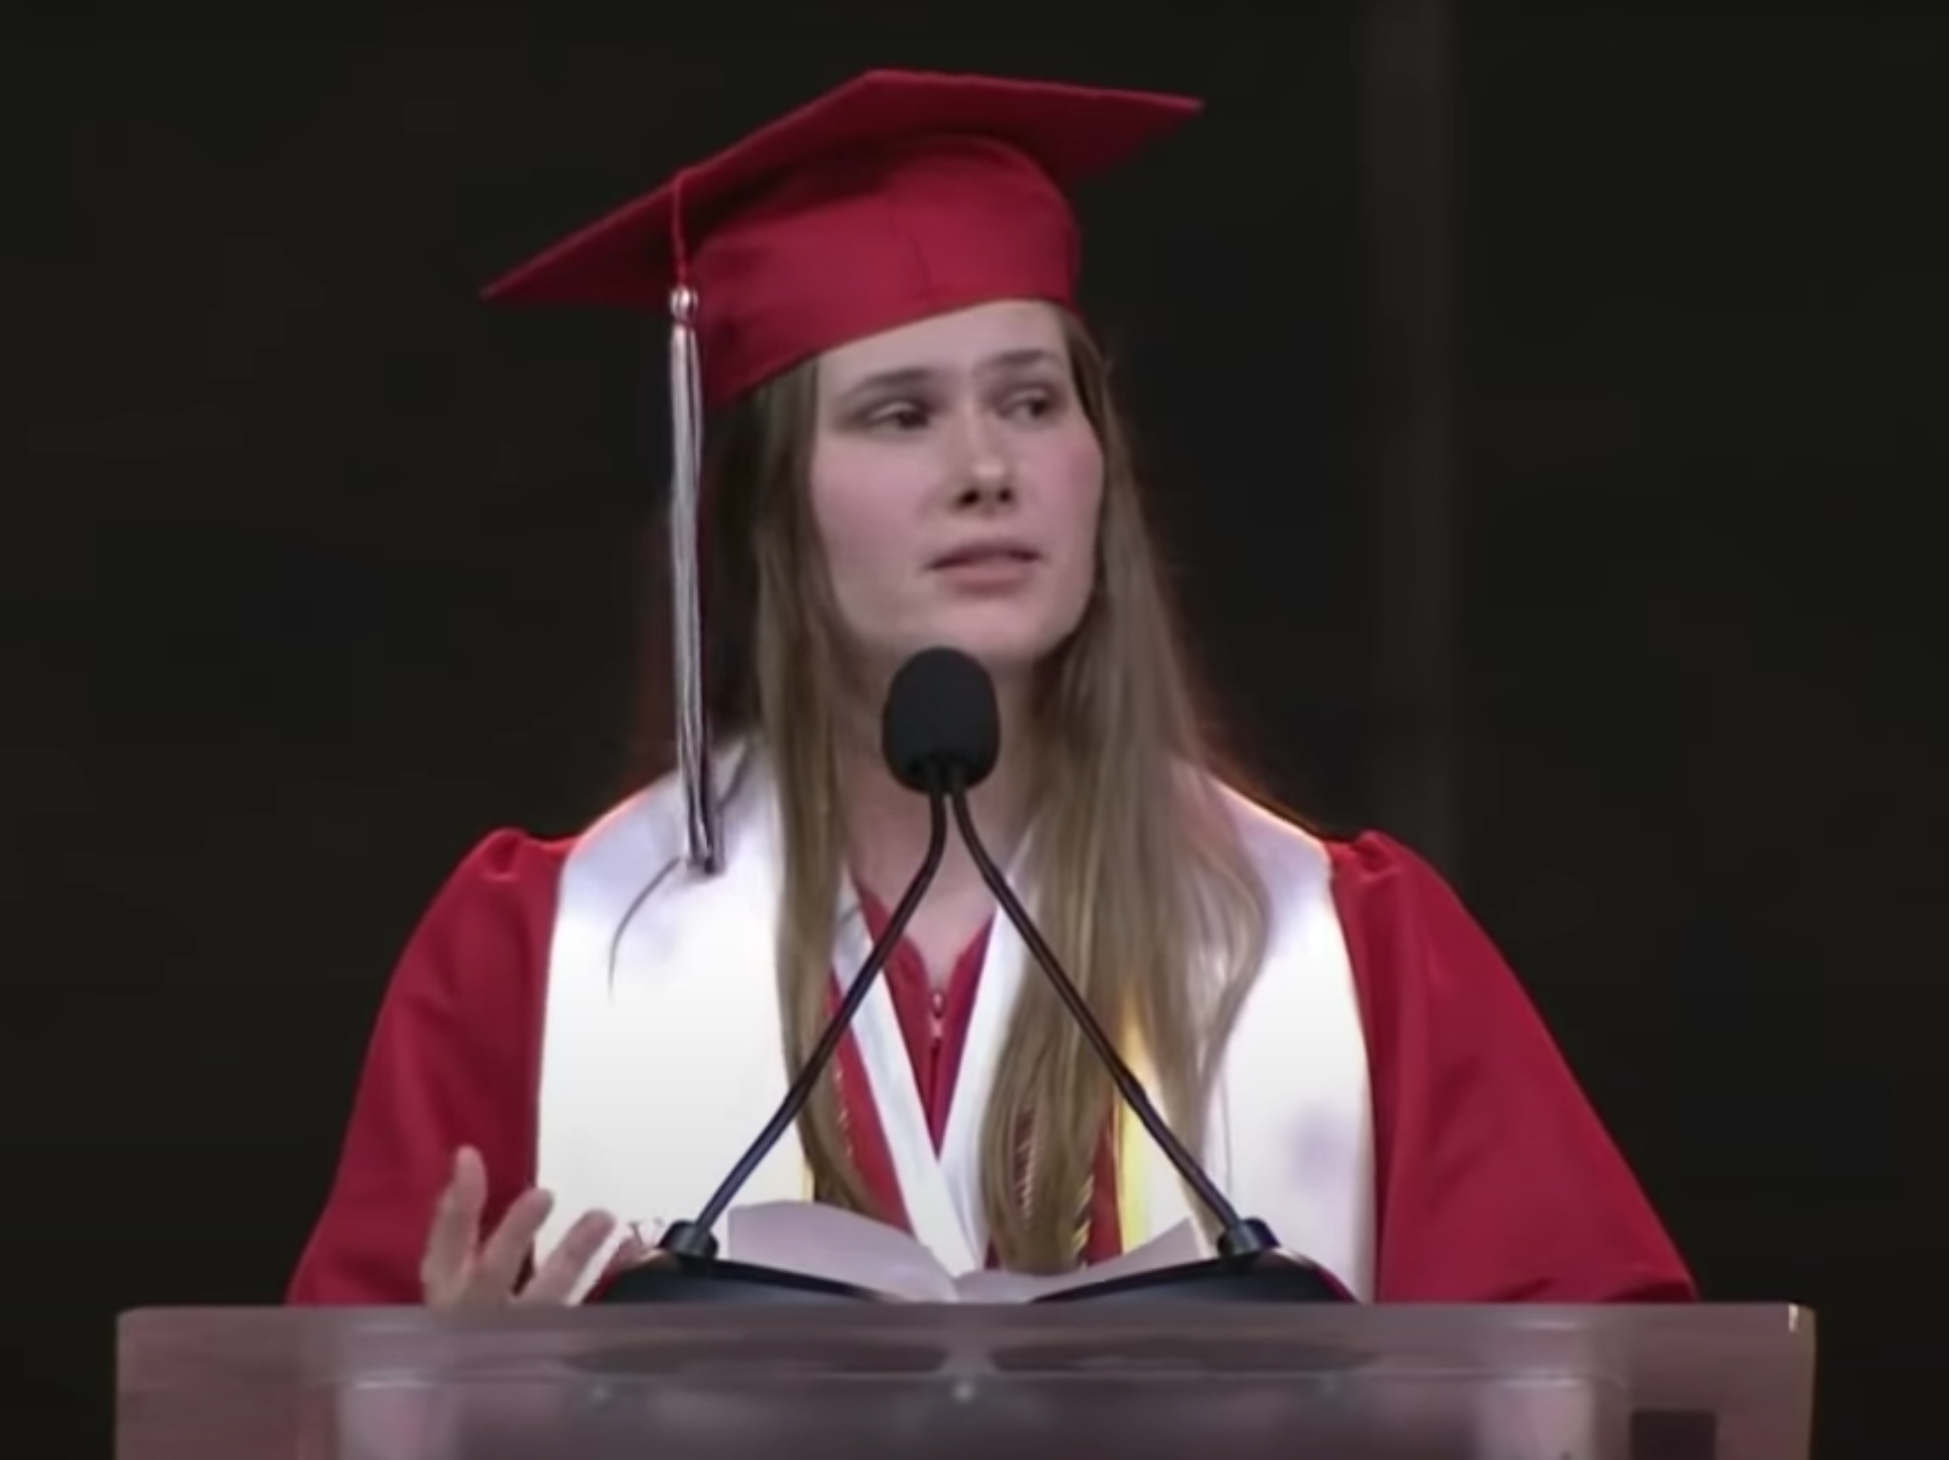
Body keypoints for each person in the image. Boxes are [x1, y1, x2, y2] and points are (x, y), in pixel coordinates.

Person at [286, 69, 1695, 1309]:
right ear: (768, 513)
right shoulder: (538, 961)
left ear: (1099, 463)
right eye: (900, 415)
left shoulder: (1344, 952)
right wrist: (445, 1413)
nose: (987, 466)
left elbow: (1607, 1401)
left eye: (1031, 400)